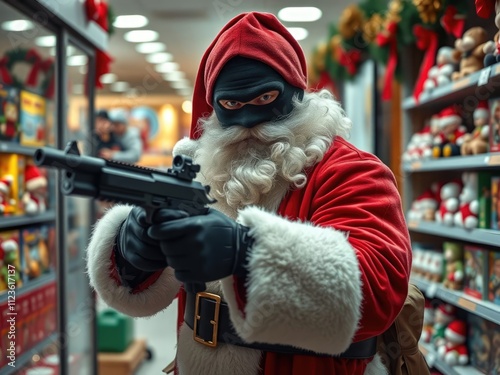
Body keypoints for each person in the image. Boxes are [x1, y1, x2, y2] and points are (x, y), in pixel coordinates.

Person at [86, 12, 412, 375]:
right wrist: (131, 253)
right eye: (232, 105)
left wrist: (246, 252)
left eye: (266, 97)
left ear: (296, 93)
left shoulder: (351, 171)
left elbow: (379, 289)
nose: (249, 122)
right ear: (215, 107)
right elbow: (159, 283)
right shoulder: (206, 168)